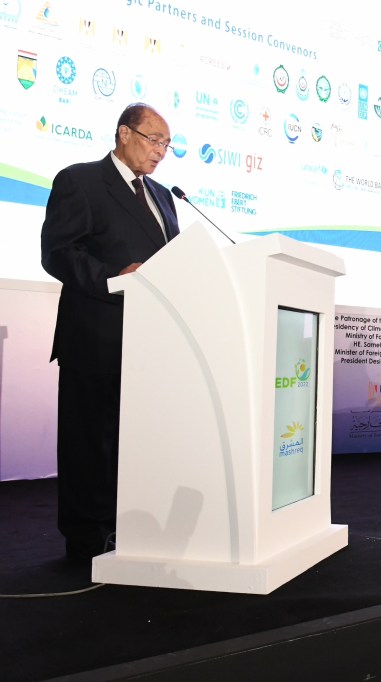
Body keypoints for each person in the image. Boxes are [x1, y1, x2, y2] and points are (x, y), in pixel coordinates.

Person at [41, 103, 180, 563]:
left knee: (135, 444)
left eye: (167, 145)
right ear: (124, 134)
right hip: (95, 335)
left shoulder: (163, 196)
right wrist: (113, 277)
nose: (160, 151)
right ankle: (87, 538)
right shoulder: (79, 181)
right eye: (153, 139)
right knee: (90, 443)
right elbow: (58, 252)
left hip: (149, 341)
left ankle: (130, 527)